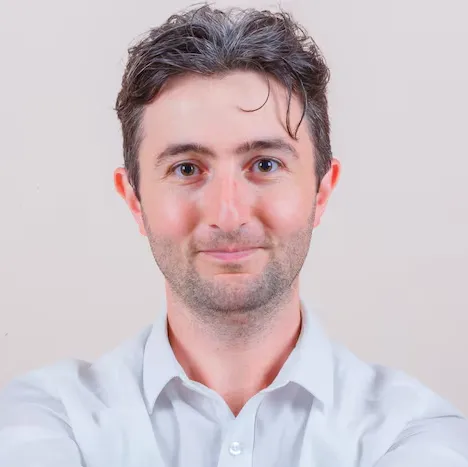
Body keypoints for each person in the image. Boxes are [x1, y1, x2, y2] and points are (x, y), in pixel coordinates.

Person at [1, 4, 467, 466]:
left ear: (321, 192)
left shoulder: (414, 433)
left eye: (265, 164)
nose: (228, 215)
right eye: (187, 169)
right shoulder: (45, 420)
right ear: (135, 200)